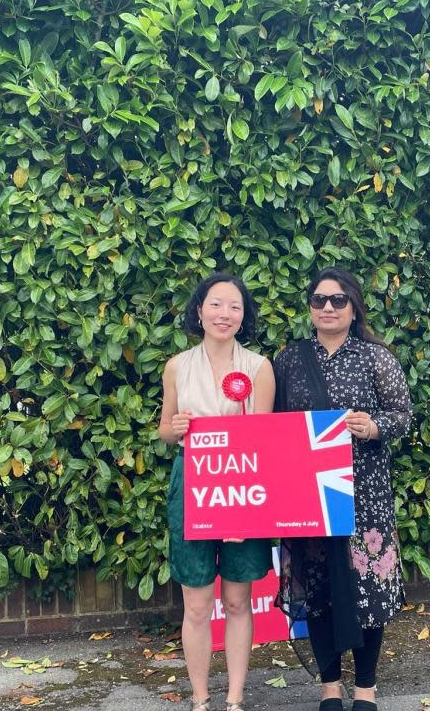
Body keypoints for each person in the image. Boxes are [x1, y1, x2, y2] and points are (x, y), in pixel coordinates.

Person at [274, 268, 413, 711]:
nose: (328, 308)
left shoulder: (376, 357)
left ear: (354, 308)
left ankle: (366, 689)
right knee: (318, 593)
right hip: (309, 495)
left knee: (366, 590)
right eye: (319, 300)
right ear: (310, 307)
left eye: (337, 300)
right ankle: (329, 687)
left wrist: (373, 426)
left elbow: (403, 416)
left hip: (364, 496)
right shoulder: (290, 359)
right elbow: (274, 426)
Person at [158, 272, 277, 711]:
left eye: (234, 307)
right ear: (200, 310)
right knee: (196, 602)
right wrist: (175, 428)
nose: (224, 314)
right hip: (192, 483)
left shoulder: (259, 368)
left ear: (243, 318)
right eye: (216, 304)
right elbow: (165, 433)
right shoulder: (176, 366)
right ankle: (200, 699)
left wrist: (241, 512)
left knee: (237, 599)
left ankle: (235, 698)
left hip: (243, 486)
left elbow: (262, 442)